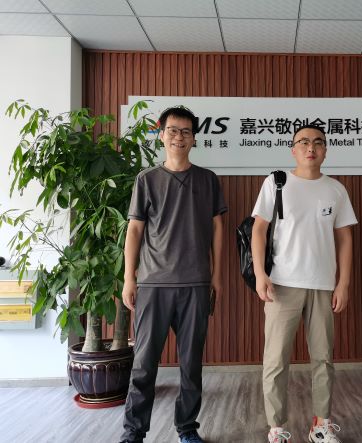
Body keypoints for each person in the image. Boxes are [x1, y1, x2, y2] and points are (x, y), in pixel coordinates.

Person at [119, 106, 226, 443]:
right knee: (143, 363)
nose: (179, 136)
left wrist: (217, 276)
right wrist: (129, 277)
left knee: (191, 364)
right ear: (161, 134)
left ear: (194, 139)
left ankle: (187, 428)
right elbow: (134, 230)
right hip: (154, 284)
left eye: (186, 131)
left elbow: (218, 229)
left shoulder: (208, 179)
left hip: (196, 283)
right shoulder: (147, 179)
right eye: (173, 130)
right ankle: (134, 431)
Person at [251, 124, 357, 443]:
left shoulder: (336, 189)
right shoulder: (277, 183)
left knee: (323, 359)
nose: (311, 147)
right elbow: (258, 229)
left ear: (325, 150)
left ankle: (321, 425)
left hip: (323, 285)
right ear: (293, 149)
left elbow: (345, 238)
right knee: (275, 360)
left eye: (318, 142)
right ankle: (277, 427)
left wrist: (343, 283)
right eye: (304, 142)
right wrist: (260, 274)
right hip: (281, 284)